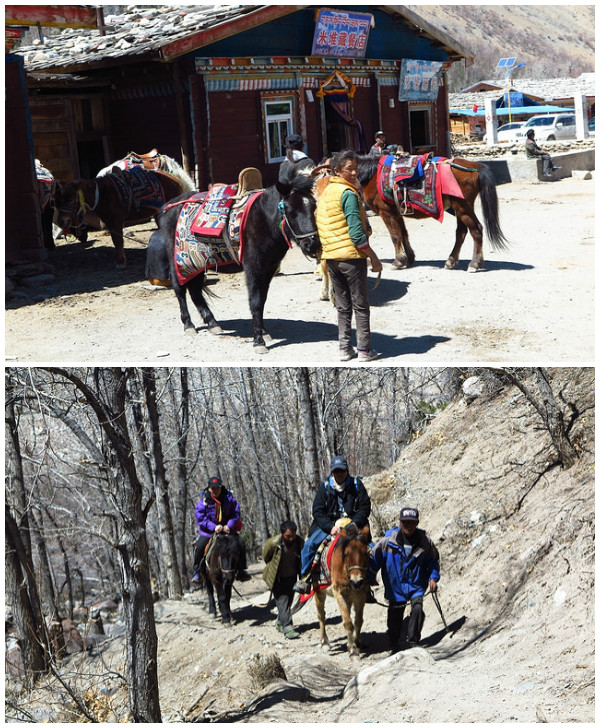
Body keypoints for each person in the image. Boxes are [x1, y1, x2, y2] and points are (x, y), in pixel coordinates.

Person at [316, 149, 383, 362]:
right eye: (349, 169)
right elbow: (356, 233)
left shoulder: (326, 193)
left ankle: (345, 349)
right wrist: (373, 257)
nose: (354, 173)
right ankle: (364, 350)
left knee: (343, 307)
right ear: (337, 171)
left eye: (356, 168)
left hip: (331, 258)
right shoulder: (348, 194)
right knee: (361, 306)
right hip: (352, 258)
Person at [294, 455, 371, 594]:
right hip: (329, 525)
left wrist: (354, 523)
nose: (339, 474)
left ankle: (369, 579)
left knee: (371, 548)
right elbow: (317, 511)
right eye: (336, 471)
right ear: (332, 472)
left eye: (341, 471)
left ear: (347, 470)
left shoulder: (356, 485)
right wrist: (330, 527)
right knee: (309, 545)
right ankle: (305, 578)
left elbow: (365, 507)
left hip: (353, 525)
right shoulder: (324, 488)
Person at [370, 507, 440, 652]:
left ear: (417, 523)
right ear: (400, 522)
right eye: (405, 522)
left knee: (418, 609)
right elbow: (373, 561)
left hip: (416, 585)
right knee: (395, 617)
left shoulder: (425, 542)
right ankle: (394, 642)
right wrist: (368, 580)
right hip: (395, 587)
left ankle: (413, 641)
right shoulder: (388, 541)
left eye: (411, 522)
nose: (408, 525)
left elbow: (433, 561)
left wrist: (433, 578)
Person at [192, 476, 251, 583]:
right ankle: (197, 571)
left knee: (241, 543)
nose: (215, 490)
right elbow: (200, 518)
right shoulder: (203, 502)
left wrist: (229, 525)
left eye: (217, 488)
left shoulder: (229, 499)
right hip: (209, 532)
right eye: (213, 488)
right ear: (209, 488)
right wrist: (214, 527)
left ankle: (242, 570)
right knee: (199, 546)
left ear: (221, 488)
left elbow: (236, 513)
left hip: (227, 530)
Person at [262, 520, 304, 639]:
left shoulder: (299, 542)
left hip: (291, 577)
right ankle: (288, 627)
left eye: (292, 536)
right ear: (281, 533)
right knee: (282, 601)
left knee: (288, 601)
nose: (290, 539)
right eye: (287, 536)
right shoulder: (273, 543)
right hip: (277, 578)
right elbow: (266, 557)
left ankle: (280, 623)